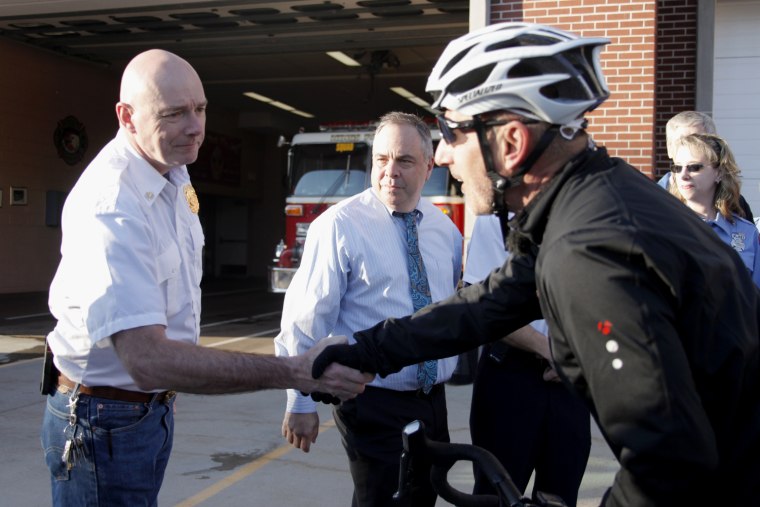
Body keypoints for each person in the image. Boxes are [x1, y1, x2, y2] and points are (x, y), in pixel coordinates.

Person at [311, 22, 760, 506]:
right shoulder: (593, 199)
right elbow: (488, 303)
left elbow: (667, 464)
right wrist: (365, 349)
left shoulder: (590, 251)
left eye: (450, 131)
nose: (441, 156)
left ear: (511, 143)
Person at [40, 49, 372, 507]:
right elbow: (146, 359)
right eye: (174, 113)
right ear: (127, 116)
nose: (195, 127)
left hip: (144, 413)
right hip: (105, 419)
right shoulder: (113, 202)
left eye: (199, 109)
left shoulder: (173, 173)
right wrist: (296, 371)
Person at [274, 111, 462, 507]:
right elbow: (305, 319)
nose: (390, 171)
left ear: (428, 167)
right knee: (382, 499)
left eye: (404, 161)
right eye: (381, 159)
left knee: (423, 496)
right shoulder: (339, 226)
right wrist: (301, 400)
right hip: (370, 400)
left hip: (433, 400)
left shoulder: (446, 232)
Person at [464, 214, 590, 506]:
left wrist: (580, 351)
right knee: (497, 496)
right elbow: (483, 307)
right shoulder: (494, 220)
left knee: (560, 496)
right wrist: (550, 350)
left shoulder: (587, 212)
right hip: (509, 373)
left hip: (570, 378)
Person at [669, 133, 760, 286]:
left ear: (719, 173)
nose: (683, 175)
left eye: (694, 167)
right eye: (677, 168)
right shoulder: (664, 226)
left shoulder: (746, 232)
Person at [658, 110, 754, 218]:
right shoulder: (654, 200)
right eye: (682, 142)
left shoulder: (735, 204)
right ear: (669, 149)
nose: (688, 147)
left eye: (698, 141)